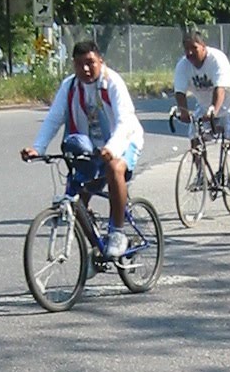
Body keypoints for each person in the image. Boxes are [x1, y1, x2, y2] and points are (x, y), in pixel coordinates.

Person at [20, 39, 145, 259]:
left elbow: (125, 121)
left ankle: (117, 231)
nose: (85, 69)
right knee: (75, 200)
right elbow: (54, 118)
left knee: (114, 169)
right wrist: (37, 148)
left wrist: (112, 148)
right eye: (79, 64)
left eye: (90, 63)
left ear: (100, 61)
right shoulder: (69, 86)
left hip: (124, 140)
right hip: (91, 147)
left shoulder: (112, 82)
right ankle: (98, 249)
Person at [172, 28, 230, 190]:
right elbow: (179, 91)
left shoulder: (216, 59)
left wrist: (214, 109)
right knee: (194, 135)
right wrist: (183, 110)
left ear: (203, 47)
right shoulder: (183, 66)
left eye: (194, 48)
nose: (190, 53)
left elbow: (219, 89)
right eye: (187, 49)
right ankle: (200, 175)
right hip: (205, 105)